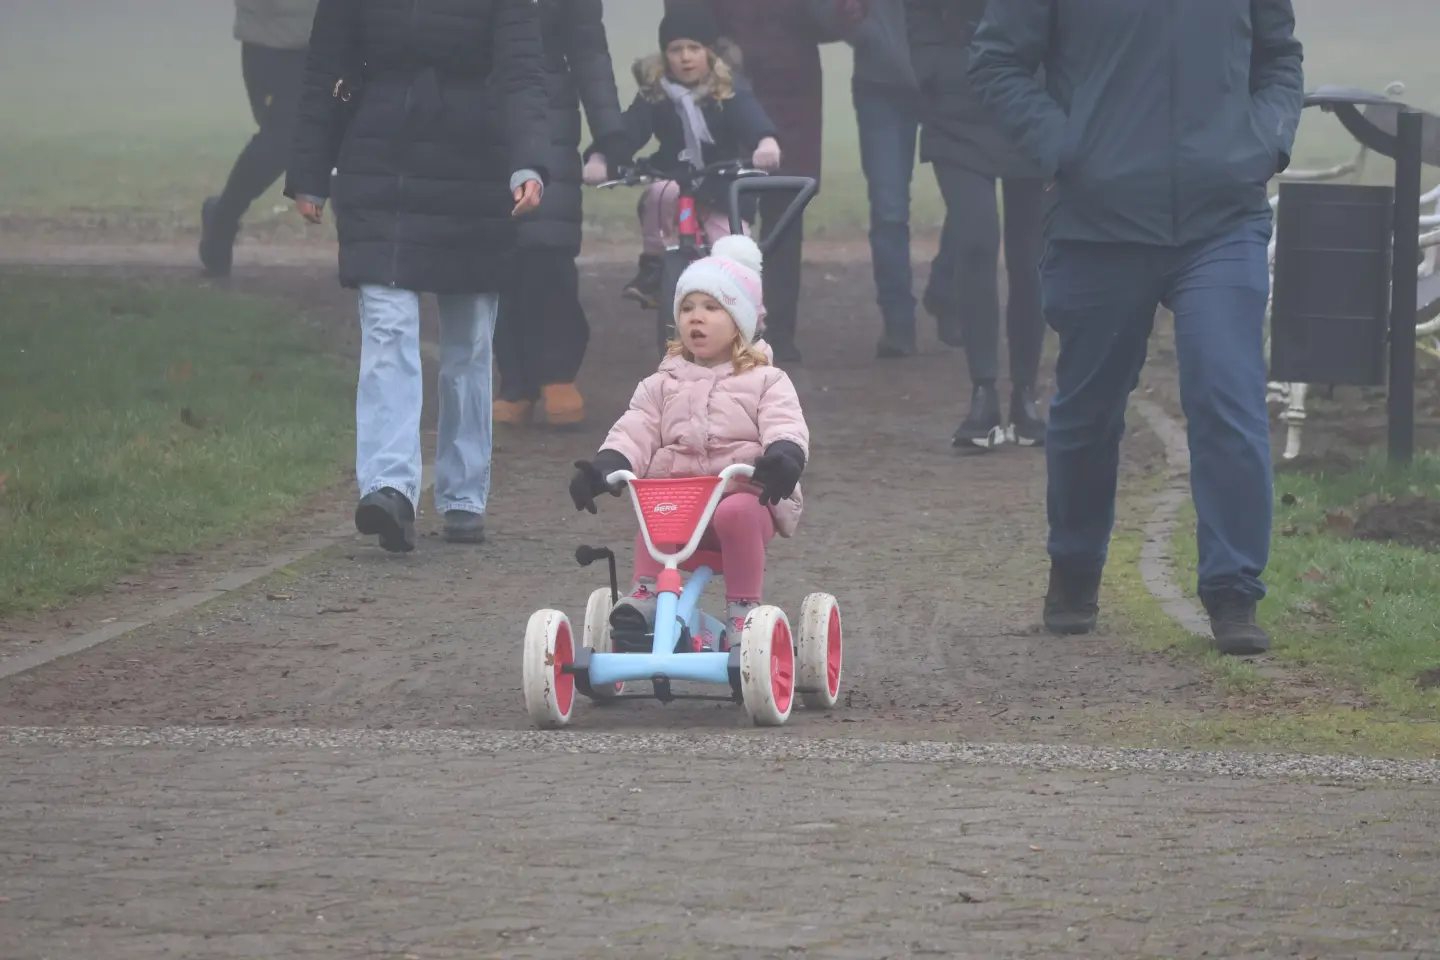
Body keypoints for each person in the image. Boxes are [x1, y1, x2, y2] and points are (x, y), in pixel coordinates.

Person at [968, 0, 1304, 653]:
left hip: (1222, 218)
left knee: (1227, 392)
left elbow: (1280, 59)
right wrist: (1064, 148)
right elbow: (996, 61)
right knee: (1089, 410)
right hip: (1098, 221)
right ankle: (1074, 566)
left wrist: (1263, 142)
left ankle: (1233, 590)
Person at [285, 0, 550, 552]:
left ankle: (462, 493)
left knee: (470, 342)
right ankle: (388, 488)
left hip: (475, 168)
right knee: (386, 331)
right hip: (380, 164)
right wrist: (310, 170)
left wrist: (529, 161)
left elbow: (522, 75)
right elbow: (324, 68)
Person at [567, 235, 810, 649]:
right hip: (680, 510)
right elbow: (636, 428)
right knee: (655, 501)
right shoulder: (662, 384)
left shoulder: (767, 381)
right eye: (686, 307)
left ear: (740, 322)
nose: (696, 318)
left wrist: (783, 455)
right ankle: (646, 597)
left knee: (735, 511)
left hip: (745, 496)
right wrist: (606, 467)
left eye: (712, 308)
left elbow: (785, 423)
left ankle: (742, 612)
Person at [906, 0, 1048, 449]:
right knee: (977, 240)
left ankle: (1025, 392)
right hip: (955, 111)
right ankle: (983, 390)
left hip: (1029, 102)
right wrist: (935, 69)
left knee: (1030, 257)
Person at [698, 0, 868, 364]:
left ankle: (779, 332)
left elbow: (839, 21)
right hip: (723, 89)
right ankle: (720, 324)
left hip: (792, 91)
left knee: (786, 217)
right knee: (722, 217)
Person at [583, 5, 781, 311]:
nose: (685, 57)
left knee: (731, 248)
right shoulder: (656, 94)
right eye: (676, 50)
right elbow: (628, 131)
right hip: (675, 179)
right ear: (664, 56)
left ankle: (750, 317)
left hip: (721, 185)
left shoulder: (727, 90)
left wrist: (765, 144)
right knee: (661, 192)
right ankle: (654, 266)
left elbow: (751, 118)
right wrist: (600, 157)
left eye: (693, 48)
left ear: (710, 52)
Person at [492, 0, 627, 429]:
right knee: (495, 257)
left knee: (548, 250)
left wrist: (609, 134)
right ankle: (515, 383)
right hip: (477, 115)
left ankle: (557, 375)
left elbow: (589, 51)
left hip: (550, 114)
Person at [831, 0, 933, 359]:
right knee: (889, 209)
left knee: (972, 199)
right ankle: (899, 323)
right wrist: (864, 31)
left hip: (950, 79)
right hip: (881, 83)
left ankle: (949, 290)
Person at [200, 0, 320, 278]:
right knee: (282, 139)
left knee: (340, 133)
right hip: (273, 40)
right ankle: (223, 215)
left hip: (334, 39)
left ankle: (360, 240)